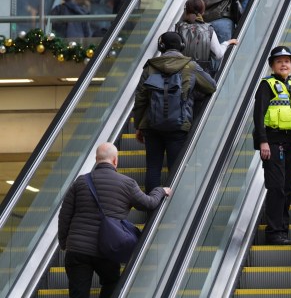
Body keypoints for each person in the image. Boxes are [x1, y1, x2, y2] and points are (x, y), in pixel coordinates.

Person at [58, 142, 170, 298]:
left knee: (78, 293)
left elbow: (65, 215)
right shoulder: (127, 183)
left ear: (96, 159)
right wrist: (160, 190)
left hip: (77, 249)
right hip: (108, 248)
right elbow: (148, 204)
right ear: (115, 160)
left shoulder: (81, 182)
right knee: (112, 283)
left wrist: (64, 242)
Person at [132, 32, 217, 192]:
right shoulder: (190, 66)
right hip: (179, 125)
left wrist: (138, 125)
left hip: (151, 126)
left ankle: (151, 207)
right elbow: (211, 86)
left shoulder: (150, 67)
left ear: (161, 46)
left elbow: (141, 98)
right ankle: (174, 212)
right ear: (182, 46)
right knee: (176, 169)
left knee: (153, 168)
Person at [252, 46, 291, 245]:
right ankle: (274, 233)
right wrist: (263, 141)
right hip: (273, 142)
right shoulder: (267, 85)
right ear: (272, 66)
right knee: (276, 187)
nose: (284, 64)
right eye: (279, 61)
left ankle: (283, 231)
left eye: (287, 61)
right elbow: (259, 116)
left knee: (289, 187)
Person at [175, 0, 238, 77]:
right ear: (203, 11)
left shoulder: (178, 28)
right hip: (201, 75)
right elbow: (219, 54)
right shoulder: (208, 29)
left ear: (186, 10)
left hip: (181, 73)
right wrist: (227, 42)